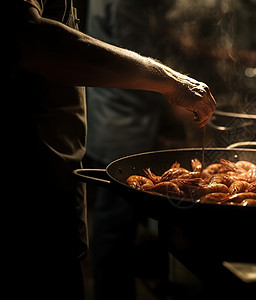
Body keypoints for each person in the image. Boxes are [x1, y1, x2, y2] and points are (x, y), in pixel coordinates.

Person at [7, 0, 215, 299]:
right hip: (31, 187)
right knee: (110, 230)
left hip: (57, 170)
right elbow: (27, 36)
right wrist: (171, 82)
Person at [85, 0, 174, 299]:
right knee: (114, 223)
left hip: (121, 117)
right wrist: (178, 90)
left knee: (123, 219)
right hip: (122, 122)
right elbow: (134, 57)